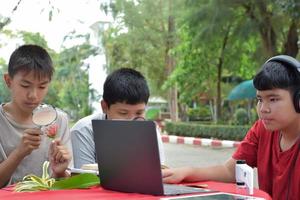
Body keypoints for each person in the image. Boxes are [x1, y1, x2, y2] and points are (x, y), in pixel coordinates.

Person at [162, 55, 300, 199]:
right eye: (259, 99)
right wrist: (186, 172)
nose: (263, 109)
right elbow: (230, 171)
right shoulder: (261, 129)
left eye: (273, 99)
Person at [0, 44, 72, 188]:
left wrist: (60, 172)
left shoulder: (59, 120)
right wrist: (19, 152)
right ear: (8, 81)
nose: (33, 95)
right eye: (25, 85)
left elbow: (66, 182)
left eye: (42, 87)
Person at [71, 68, 165, 169]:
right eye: (123, 113)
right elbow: (85, 178)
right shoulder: (84, 131)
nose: (131, 122)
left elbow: (159, 172)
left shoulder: (150, 131)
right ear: (105, 107)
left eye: (139, 113)